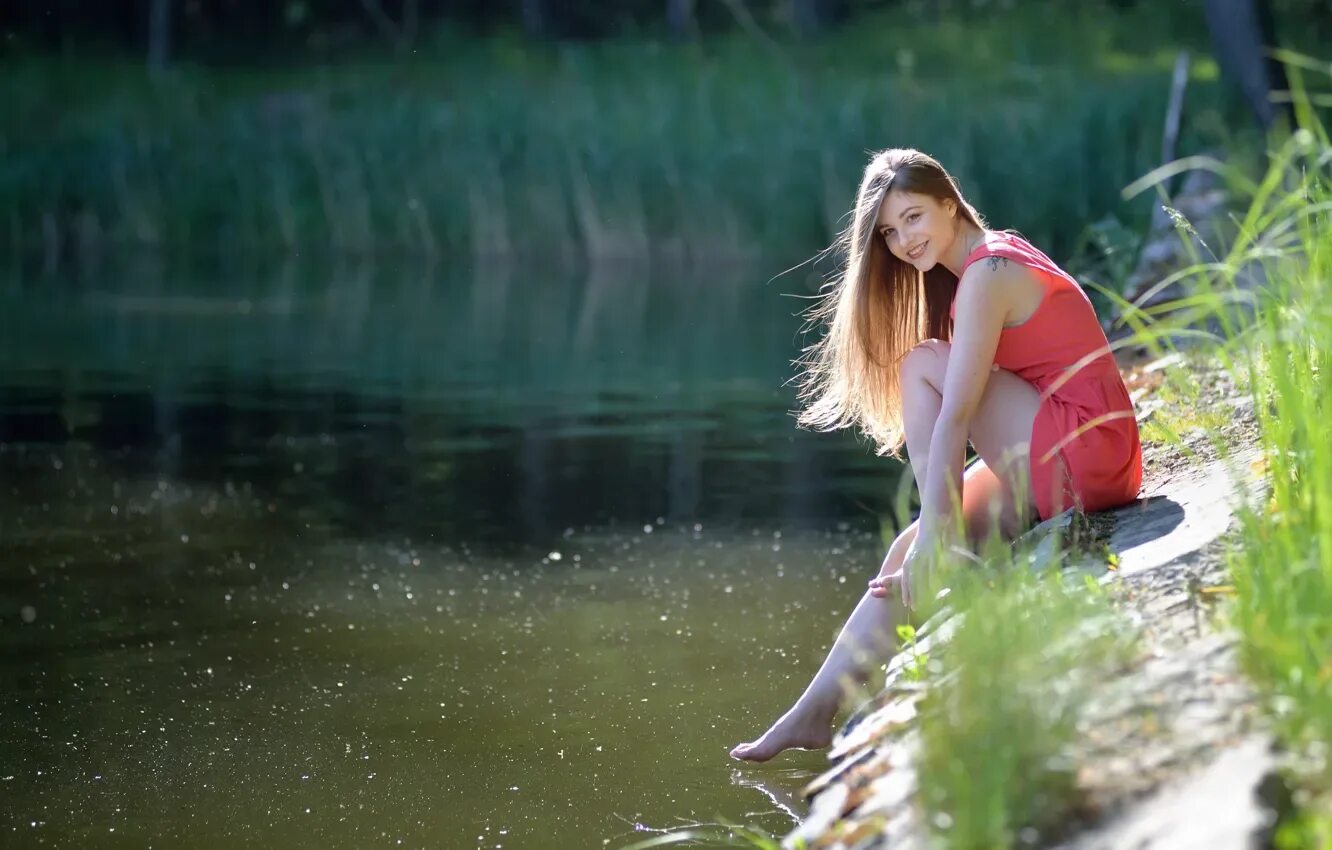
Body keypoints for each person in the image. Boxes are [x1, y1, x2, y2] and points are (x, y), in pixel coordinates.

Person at [729, 148, 1142, 762]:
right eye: (891, 232)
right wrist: (930, 532)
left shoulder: (990, 270)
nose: (903, 241)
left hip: (1086, 450)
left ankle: (940, 538)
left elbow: (956, 412)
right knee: (908, 548)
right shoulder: (975, 271)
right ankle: (814, 712)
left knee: (923, 366)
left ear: (950, 203)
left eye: (914, 218)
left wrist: (937, 530)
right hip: (1078, 454)